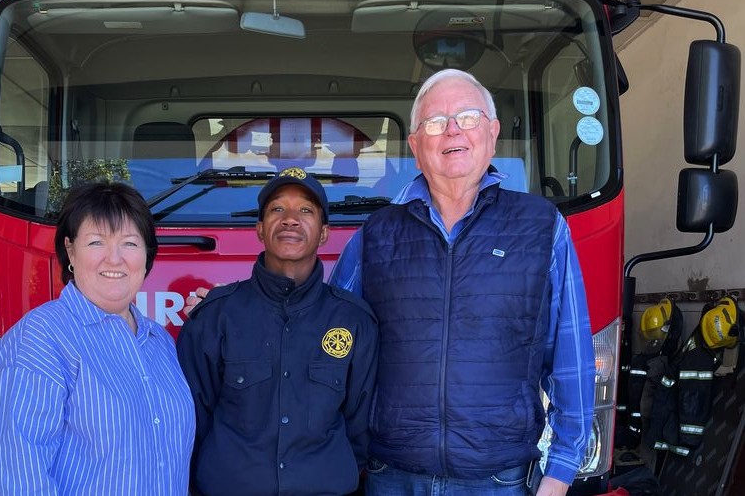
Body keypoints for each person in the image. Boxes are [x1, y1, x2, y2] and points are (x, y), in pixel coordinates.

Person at [329, 68, 595, 496]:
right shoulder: (376, 235)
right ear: (416, 147)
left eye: (467, 117)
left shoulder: (541, 226)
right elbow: (324, 335)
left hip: (499, 480)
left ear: (491, 134)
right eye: (435, 123)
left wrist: (561, 471)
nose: (452, 130)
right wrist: (229, 309)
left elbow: (571, 355)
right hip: (392, 477)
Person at [176, 167, 379, 496]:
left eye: (305, 210)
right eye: (277, 209)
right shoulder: (215, 317)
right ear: (259, 229)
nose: (290, 219)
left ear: (324, 233)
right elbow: (190, 425)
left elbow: (361, 430)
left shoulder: (354, 321)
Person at [0, 181, 195, 496]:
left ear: (147, 255)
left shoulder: (159, 341)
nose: (114, 259)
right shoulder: (40, 340)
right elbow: (21, 479)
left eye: (130, 243)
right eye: (96, 242)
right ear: (70, 250)